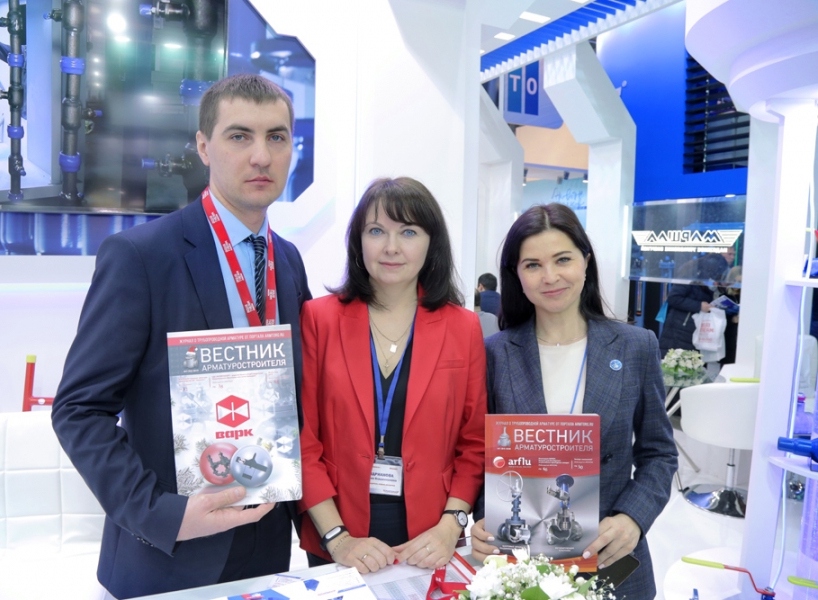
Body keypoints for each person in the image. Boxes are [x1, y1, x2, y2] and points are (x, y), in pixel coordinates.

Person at [51, 74, 311, 599]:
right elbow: (79, 410)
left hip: (267, 545)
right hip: (169, 558)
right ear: (203, 147)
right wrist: (161, 514)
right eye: (239, 136)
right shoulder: (141, 256)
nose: (261, 156)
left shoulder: (287, 260)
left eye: (276, 137)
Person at [470, 203, 677, 599]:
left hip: (610, 554)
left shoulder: (636, 346)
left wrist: (633, 518)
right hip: (519, 559)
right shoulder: (495, 353)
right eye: (533, 265)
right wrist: (483, 519)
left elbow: (659, 453)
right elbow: (481, 454)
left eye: (562, 259)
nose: (550, 277)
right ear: (517, 275)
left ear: (585, 262)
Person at [298, 177, 486, 574]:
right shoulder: (319, 319)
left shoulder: (463, 327)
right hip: (339, 530)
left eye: (409, 232)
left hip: (430, 537)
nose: (391, 247)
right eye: (376, 231)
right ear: (358, 241)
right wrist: (337, 537)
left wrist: (451, 526)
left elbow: (474, 444)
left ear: (432, 243)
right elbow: (303, 440)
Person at [658, 252, 730, 358]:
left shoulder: (709, 282)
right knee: (675, 362)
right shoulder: (690, 278)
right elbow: (673, 298)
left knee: (689, 363)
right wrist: (699, 306)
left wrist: (719, 290)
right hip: (679, 328)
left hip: (695, 330)